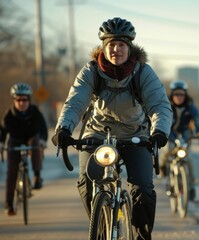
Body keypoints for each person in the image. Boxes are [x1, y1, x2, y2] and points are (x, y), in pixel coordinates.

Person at [51, 17, 172, 240]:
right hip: (97, 133)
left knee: (143, 189)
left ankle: (141, 236)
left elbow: (160, 106)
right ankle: (98, 224)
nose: (116, 50)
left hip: (135, 135)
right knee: (86, 183)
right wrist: (64, 129)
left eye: (121, 45)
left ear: (130, 47)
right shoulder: (91, 71)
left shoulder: (143, 72)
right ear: (104, 47)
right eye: (111, 45)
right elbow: (75, 102)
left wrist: (159, 131)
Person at [0, 83, 48, 216]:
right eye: (18, 100)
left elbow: (43, 128)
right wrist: (1, 143)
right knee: (11, 172)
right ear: (14, 100)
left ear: (29, 100)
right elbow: (3, 131)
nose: (22, 103)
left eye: (25, 99)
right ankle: (9, 204)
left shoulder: (35, 112)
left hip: (31, 139)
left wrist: (43, 140)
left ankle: (37, 177)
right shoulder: (9, 114)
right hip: (15, 141)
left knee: (36, 143)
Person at [159, 80, 199, 201]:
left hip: (185, 135)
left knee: (188, 161)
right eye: (176, 94)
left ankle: (190, 187)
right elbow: (161, 119)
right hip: (170, 134)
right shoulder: (166, 105)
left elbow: (197, 120)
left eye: (182, 95)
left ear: (185, 96)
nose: (179, 97)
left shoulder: (190, 107)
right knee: (167, 151)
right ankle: (163, 166)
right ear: (172, 95)